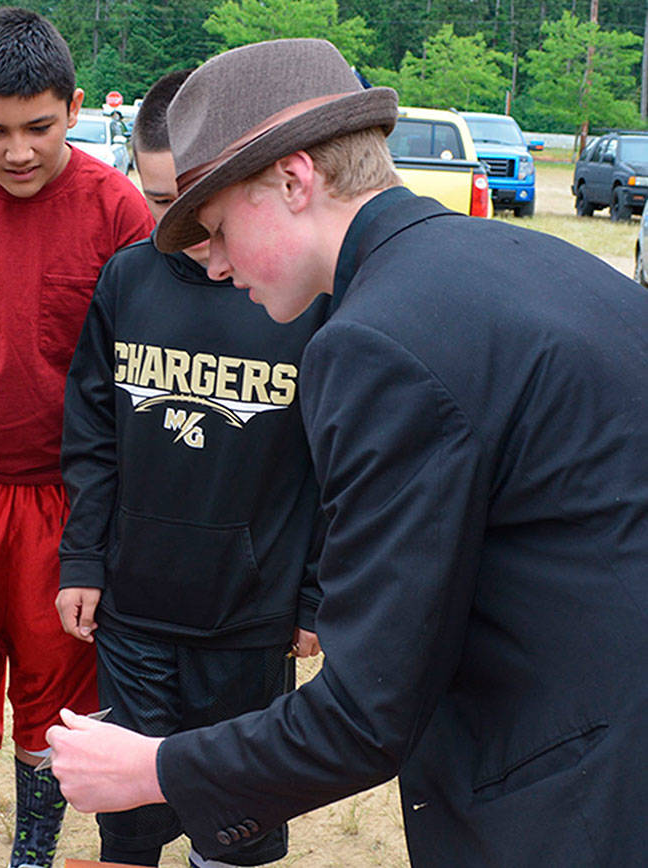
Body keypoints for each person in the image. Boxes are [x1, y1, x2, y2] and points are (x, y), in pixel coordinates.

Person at [46, 37, 648, 866]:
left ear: (294, 181)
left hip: (573, 800)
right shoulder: (541, 265)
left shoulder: (375, 341)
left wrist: (155, 767)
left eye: (218, 228)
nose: (213, 265)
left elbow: (368, 714)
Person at [56, 69, 325, 868]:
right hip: (134, 610)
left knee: (233, 825)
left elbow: (330, 465)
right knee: (129, 826)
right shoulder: (128, 277)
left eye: (194, 199)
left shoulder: (303, 293)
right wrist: (82, 559)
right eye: (156, 196)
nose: (177, 222)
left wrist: (313, 593)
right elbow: (94, 435)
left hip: (249, 619)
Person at [0, 9, 154, 868]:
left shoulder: (117, 209)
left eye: (39, 128)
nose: (18, 151)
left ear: (76, 106)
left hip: (73, 504)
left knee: (56, 712)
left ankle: (32, 857)